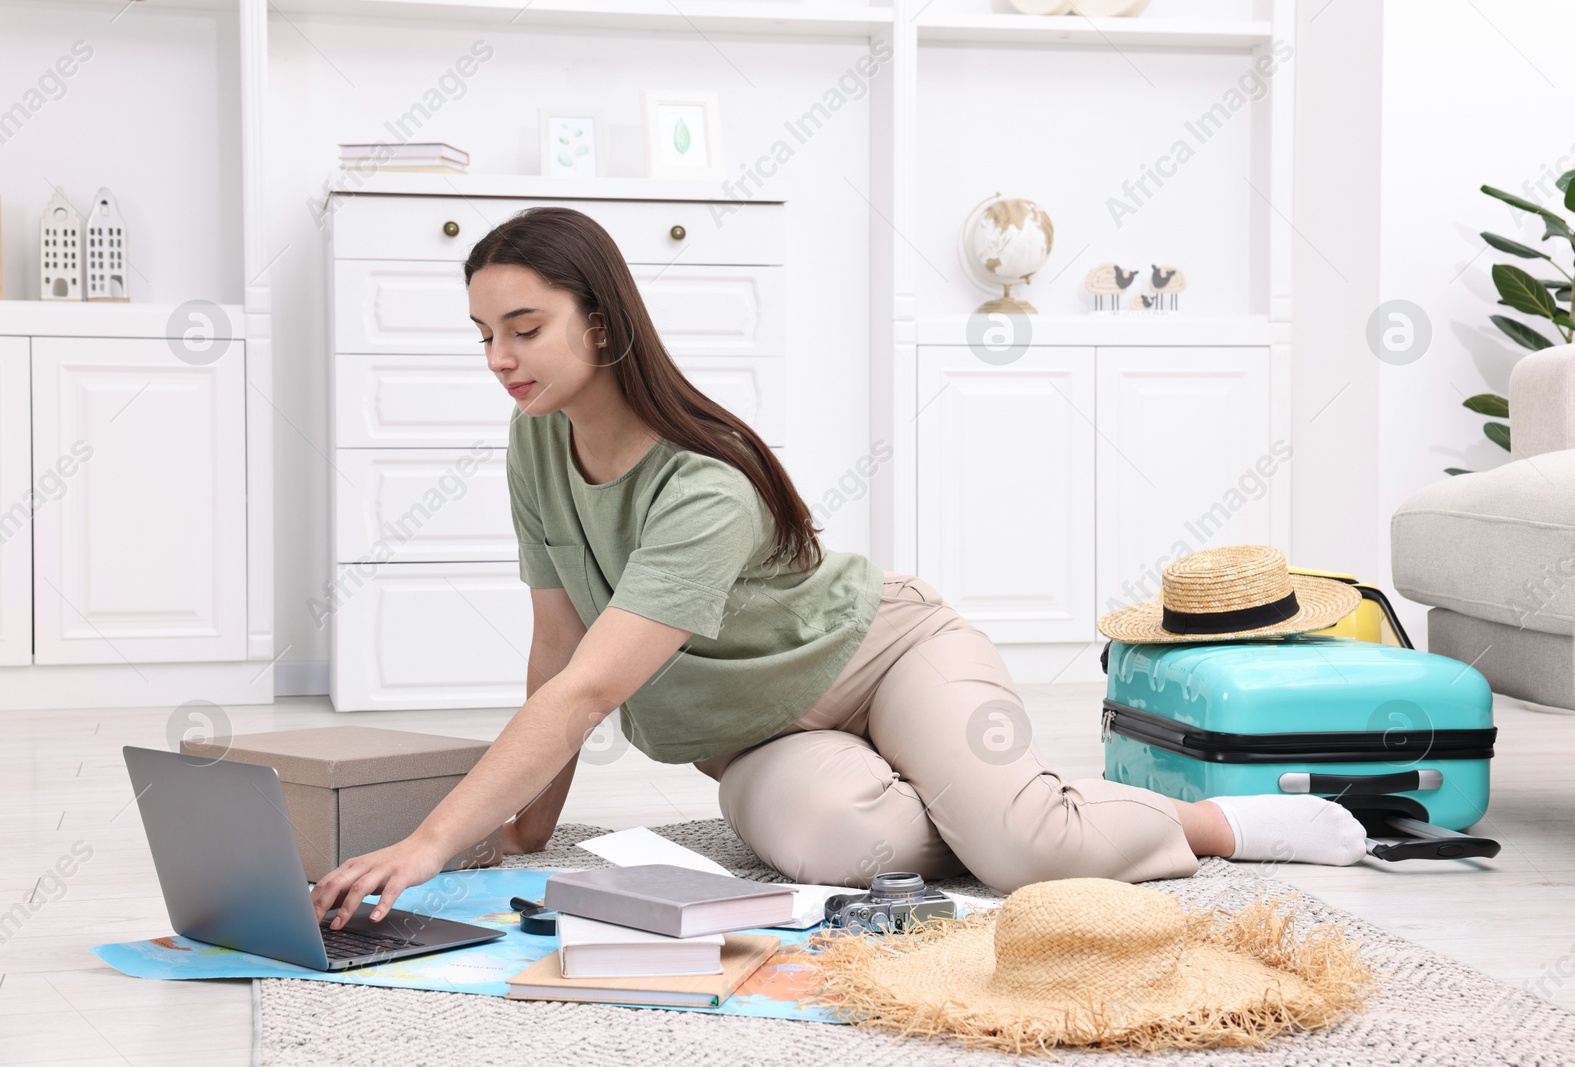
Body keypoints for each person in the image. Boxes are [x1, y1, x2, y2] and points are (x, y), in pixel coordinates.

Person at [310, 207, 1367, 930]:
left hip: (882, 652)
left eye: (524, 327)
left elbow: (592, 688)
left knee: (1022, 859)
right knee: (836, 849)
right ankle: (993, 798)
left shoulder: (701, 483)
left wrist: (432, 841)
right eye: (484, 333)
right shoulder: (536, 438)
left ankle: (1196, 819)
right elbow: (555, 645)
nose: (500, 357)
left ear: (600, 317)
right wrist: (520, 835)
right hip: (754, 730)